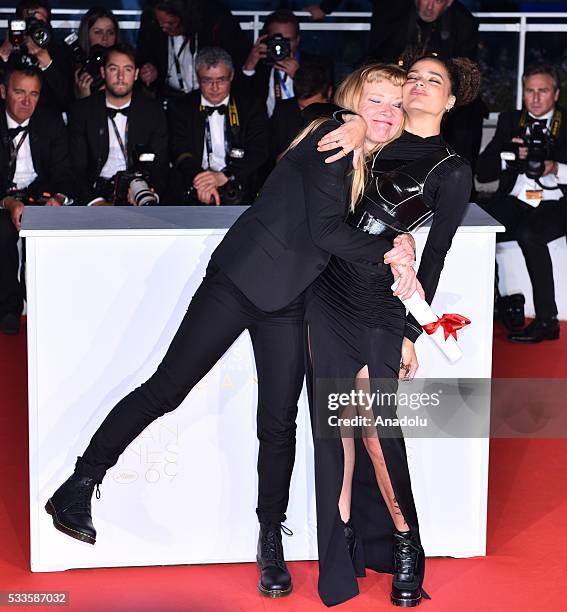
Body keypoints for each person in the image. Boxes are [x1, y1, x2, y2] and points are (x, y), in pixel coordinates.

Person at [44, 68, 418, 598]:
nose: (385, 112)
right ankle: (80, 482)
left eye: (396, 105)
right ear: (354, 102)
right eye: (375, 100)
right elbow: (327, 230)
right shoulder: (334, 135)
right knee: (167, 388)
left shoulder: (368, 161)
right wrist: (386, 243)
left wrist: (398, 238)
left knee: (279, 424)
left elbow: (354, 225)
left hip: (290, 300)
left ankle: (270, 539)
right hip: (240, 282)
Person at [304, 55, 479, 606]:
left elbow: (438, 254)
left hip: (378, 306)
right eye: (415, 77)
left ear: (450, 100)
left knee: (378, 435)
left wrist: (410, 332)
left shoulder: (450, 168)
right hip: (325, 293)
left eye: (435, 81)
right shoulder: (376, 131)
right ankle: (344, 543)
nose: (420, 86)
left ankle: (407, 542)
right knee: (340, 435)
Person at [477, 63, 567, 343]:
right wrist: (510, 155)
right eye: (530, 91)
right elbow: (483, 171)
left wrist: (557, 168)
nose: (536, 98)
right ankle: (500, 302)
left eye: (543, 91)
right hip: (515, 199)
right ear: (523, 93)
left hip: (557, 202)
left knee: (531, 234)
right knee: (473, 231)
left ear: (556, 94)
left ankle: (547, 322)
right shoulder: (509, 121)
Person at [0, 64, 73, 335]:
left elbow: (64, 172)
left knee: (52, 233)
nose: (27, 101)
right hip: (2, 199)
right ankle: (9, 308)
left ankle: (47, 309)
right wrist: (7, 203)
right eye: (19, 92)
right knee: (3, 233)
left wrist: (57, 198)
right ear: (3, 91)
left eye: (34, 94)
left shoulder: (50, 121)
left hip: (39, 195)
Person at [68, 43, 168, 206]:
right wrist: (95, 201)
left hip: (139, 189)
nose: (120, 77)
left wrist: (150, 194)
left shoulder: (153, 111)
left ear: (136, 74)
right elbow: (76, 168)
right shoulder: (82, 111)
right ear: (103, 72)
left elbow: (161, 165)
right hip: (96, 192)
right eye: (114, 69)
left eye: (127, 70)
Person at [168, 47, 269, 205]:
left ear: (232, 76)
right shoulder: (181, 107)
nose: (214, 88)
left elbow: (259, 151)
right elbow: (178, 149)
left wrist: (225, 176)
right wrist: (203, 181)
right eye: (207, 80)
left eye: (221, 80)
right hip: (194, 187)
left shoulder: (250, 106)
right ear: (197, 78)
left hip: (240, 187)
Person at [136, 0, 250, 103]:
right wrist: (149, 69)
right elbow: (144, 56)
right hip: (169, 100)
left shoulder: (218, 22)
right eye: (160, 23)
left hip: (209, 100)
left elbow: (235, 66)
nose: (164, 28)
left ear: (185, 17)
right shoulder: (150, 21)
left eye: (171, 23)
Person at [242, 9, 326, 118]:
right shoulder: (260, 65)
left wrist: (299, 76)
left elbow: (322, 101)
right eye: (277, 40)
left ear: (297, 40)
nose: (280, 46)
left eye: (287, 40)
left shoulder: (316, 65)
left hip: (303, 128)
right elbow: (242, 100)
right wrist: (249, 68)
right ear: (266, 39)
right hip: (268, 131)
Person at [0, 0, 75, 113]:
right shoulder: (7, 48)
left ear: (48, 26)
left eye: (39, 23)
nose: (33, 27)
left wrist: (46, 61)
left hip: (48, 121)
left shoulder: (61, 52)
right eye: (29, 22)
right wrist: (4, 54)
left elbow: (67, 100)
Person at [270, 56, 332, 162]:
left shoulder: (338, 116)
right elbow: (272, 159)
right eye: (303, 107)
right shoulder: (283, 112)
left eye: (315, 107)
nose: (309, 113)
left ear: (329, 93)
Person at [75, 7, 121, 99]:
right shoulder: (78, 68)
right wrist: (84, 96)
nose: (105, 38)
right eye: (98, 32)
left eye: (110, 32)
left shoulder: (125, 65)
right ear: (86, 35)